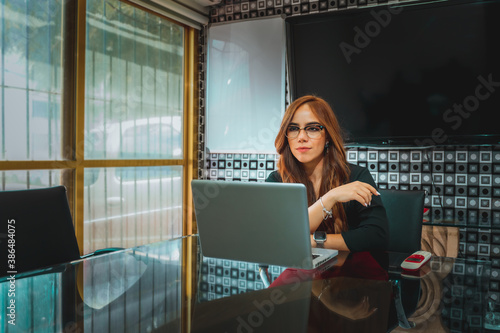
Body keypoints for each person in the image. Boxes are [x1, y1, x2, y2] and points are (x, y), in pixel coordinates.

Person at [266, 95, 389, 252]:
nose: (301, 137)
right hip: (297, 272)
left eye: (313, 128)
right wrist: (330, 198)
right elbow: (272, 236)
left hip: (351, 272)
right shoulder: (276, 181)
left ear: (328, 137)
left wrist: (312, 241)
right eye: (293, 128)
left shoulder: (356, 177)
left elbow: (377, 237)